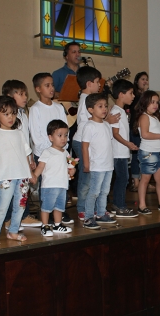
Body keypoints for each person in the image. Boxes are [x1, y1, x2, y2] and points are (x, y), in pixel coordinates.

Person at [0, 96, 35, 245]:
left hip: (22, 177)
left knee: (20, 205)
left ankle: (13, 231)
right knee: (3, 205)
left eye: (13, 113)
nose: (10, 117)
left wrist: (30, 173)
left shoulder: (19, 133)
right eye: (6, 114)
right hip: (6, 177)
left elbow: (26, 153)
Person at [28, 72, 72, 224]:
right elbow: (36, 135)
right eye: (47, 85)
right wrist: (52, 148)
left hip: (60, 152)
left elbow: (65, 128)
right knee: (47, 186)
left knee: (60, 182)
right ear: (38, 89)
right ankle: (46, 216)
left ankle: (59, 213)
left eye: (52, 85)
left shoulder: (59, 107)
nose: (51, 88)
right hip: (44, 154)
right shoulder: (35, 109)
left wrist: (63, 146)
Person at [1, 80, 42, 228]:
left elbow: (26, 139)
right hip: (12, 160)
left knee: (22, 190)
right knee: (11, 191)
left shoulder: (23, 115)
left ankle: (23, 216)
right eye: (20, 94)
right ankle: (8, 219)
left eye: (25, 93)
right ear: (9, 96)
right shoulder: (9, 118)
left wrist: (30, 158)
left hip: (24, 158)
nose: (25, 97)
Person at [32, 120, 76, 236]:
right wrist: (35, 175)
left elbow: (71, 164)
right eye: (59, 135)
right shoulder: (47, 152)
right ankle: (45, 225)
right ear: (51, 137)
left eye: (66, 135)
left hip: (62, 185)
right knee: (47, 207)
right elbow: (41, 166)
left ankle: (57, 224)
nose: (63, 138)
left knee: (59, 207)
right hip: (50, 185)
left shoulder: (66, 152)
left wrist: (72, 169)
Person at [133, 90, 160, 214]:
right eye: (152, 102)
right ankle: (142, 205)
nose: (155, 105)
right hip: (148, 153)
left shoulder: (154, 116)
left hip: (158, 153)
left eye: (157, 102)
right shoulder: (144, 116)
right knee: (145, 179)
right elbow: (145, 134)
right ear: (145, 103)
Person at [70, 67, 102, 220]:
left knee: (92, 177)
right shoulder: (85, 100)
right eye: (97, 82)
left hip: (86, 141)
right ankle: (82, 208)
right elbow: (85, 121)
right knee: (86, 177)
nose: (99, 85)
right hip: (82, 142)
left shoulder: (87, 99)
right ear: (89, 84)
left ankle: (91, 207)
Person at [81, 93, 117, 228]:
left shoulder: (107, 125)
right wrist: (86, 164)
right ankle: (88, 217)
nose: (104, 109)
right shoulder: (89, 126)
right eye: (100, 106)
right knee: (94, 191)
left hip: (108, 165)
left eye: (105, 106)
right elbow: (85, 147)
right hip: (97, 166)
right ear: (90, 109)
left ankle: (101, 214)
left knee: (105, 191)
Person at [109, 79, 138, 217]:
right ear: (121, 94)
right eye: (131, 93)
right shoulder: (116, 112)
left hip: (122, 152)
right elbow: (115, 134)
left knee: (122, 178)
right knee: (123, 179)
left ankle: (117, 204)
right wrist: (128, 144)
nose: (133, 96)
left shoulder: (121, 110)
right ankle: (119, 206)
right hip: (118, 152)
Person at [128, 71, 150, 193]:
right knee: (136, 155)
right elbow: (137, 108)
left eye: (146, 79)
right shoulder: (134, 96)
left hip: (145, 128)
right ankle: (135, 181)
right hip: (135, 128)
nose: (145, 81)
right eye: (143, 79)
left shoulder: (146, 95)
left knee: (145, 154)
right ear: (137, 81)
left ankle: (143, 180)